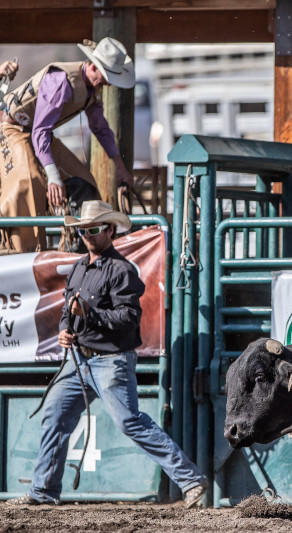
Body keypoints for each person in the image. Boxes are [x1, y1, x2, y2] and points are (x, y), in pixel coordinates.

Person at [7, 201, 207, 507]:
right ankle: (43, 491)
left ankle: (190, 479)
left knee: (129, 422)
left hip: (110, 361)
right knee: (54, 414)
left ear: (109, 230)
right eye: (83, 229)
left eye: (94, 229)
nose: (87, 234)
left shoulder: (121, 271)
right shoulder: (78, 268)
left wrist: (90, 313)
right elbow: (67, 309)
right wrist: (65, 327)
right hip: (80, 361)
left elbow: (128, 318)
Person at [0, 37, 135, 254]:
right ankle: (25, 255)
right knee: (27, 183)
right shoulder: (59, 82)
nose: (108, 83)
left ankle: (78, 251)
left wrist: (120, 167)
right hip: (12, 128)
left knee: (84, 181)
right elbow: (40, 132)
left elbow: (101, 128)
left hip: (36, 134)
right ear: (92, 66)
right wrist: (53, 176)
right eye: (106, 77)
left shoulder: (91, 91)